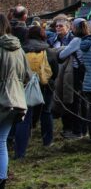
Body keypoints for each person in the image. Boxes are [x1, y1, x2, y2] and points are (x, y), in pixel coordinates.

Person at [0, 13, 31, 188]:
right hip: (17, 100)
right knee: (1, 141)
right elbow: (28, 76)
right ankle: (2, 178)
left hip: (2, 98)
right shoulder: (19, 49)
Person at [14, 25, 54, 158]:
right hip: (46, 87)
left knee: (24, 119)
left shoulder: (22, 50)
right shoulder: (48, 50)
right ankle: (47, 142)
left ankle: (20, 152)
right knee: (46, 113)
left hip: (25, 87)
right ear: (43, 35)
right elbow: (55, 71)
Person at [57, 18, 89, 139]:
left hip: (76, 73)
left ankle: (77, 130)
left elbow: (62, 55)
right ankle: (85, 129)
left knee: (76, 101)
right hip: (87, 72)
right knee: (85, 102)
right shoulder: (89, 38)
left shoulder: (76, 40)